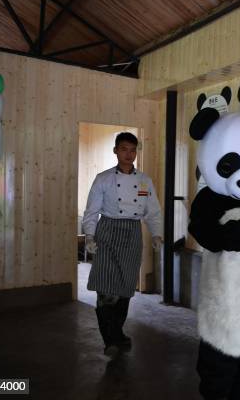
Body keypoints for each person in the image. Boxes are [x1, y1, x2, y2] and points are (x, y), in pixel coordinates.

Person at [82, 132, 163, 356]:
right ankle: (110, 340)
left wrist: (157, 234)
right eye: (124, 149)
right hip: (107, 232)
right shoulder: (103, 178)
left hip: (132, 233)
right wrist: (89, 235)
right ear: (116, 151)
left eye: (133, 150)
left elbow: (153, 211)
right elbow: (92, 211)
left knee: (125, 288)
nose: (129, 154)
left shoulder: (144, 181)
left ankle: (117, 333)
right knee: (106, 288)